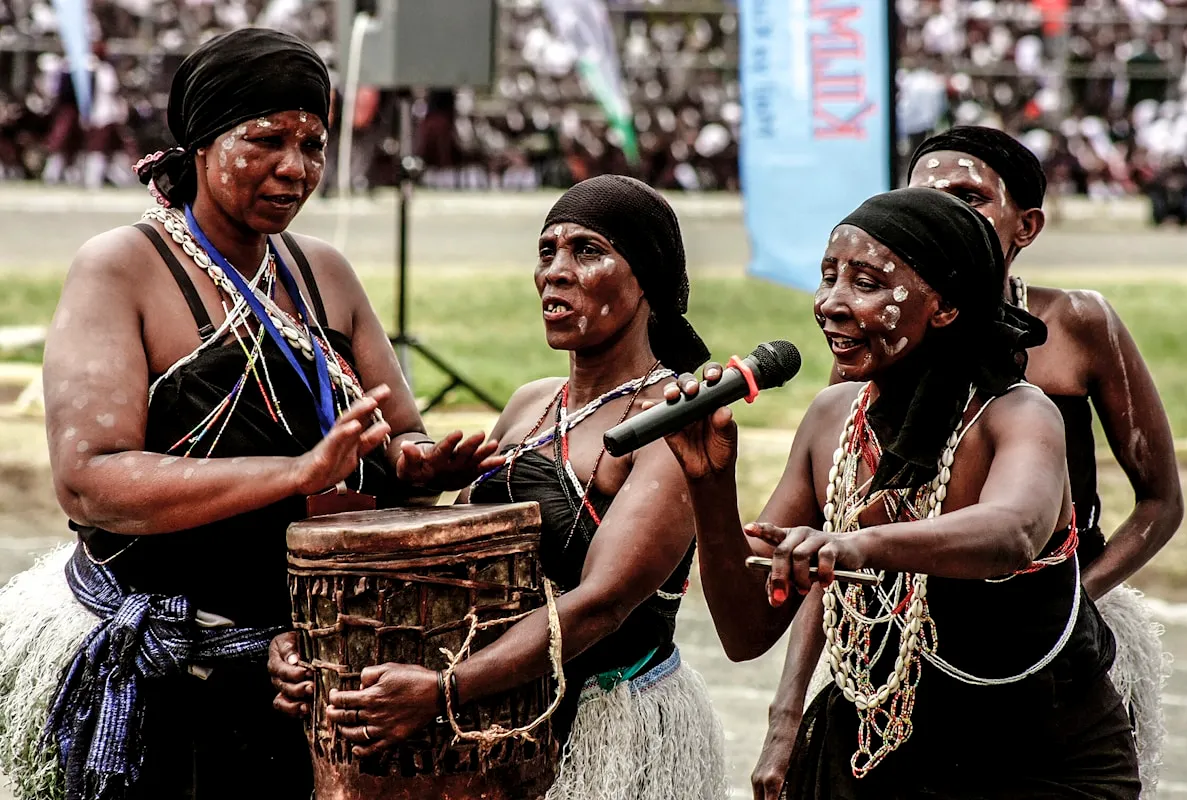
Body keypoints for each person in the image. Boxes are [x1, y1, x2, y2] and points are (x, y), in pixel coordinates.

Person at [0, 28, 498, 800]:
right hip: (171, 676)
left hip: (316, 671)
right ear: (202, 144)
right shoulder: (122, 268)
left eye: (313, 144)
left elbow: (399, 434)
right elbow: (91, 482)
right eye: (266, 140)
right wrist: (296, 473)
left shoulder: (322, 271)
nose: (295, 168)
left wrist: (415, 463)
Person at [665, 187, 1141, 798]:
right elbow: (746, 630)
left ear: (944, 307)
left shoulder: (1018, 414)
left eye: (865, 283)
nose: (830, 304)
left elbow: (1014, 532)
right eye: (828, 277)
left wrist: (859, 544)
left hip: (1041, 756)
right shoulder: (831, 419)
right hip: (875, 749)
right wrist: (709, 482)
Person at [751, 126, 1181, 800]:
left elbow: (1152, 503)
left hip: (1046, 645)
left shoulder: (1073, 330)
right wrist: (787, 714)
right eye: (922, 194)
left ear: (1026, 225)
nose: (943, 208)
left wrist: (1075, 599)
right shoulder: (867, 359)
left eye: (969, 196)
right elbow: (828, 544)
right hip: (905, 648)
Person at [269, 175, 728, 799]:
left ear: (645, 277)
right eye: (547, 251)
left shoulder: (673, 420)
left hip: (606, 732)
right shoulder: (531, 403)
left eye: (587, 251)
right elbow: (456, 572)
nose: (555, 272)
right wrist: (320, 647)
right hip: (496, 723)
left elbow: (601, 605)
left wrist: (443, 692)